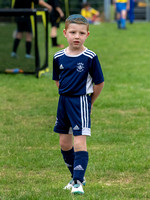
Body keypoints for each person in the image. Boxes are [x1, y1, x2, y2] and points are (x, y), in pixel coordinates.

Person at [52, 14, 104, 195]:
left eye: (81, 33)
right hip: (63, 102)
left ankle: (77, 183)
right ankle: (76, 176)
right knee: (65, 144)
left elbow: (99, 83)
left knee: (80, 143)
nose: (77, 36)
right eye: (73, 32)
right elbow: (57, 80)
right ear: (65, 33)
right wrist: (64, 95)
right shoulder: (58, 56)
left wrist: (89, 102)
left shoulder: (90, 57)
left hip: (81, 100)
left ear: (87, 35)